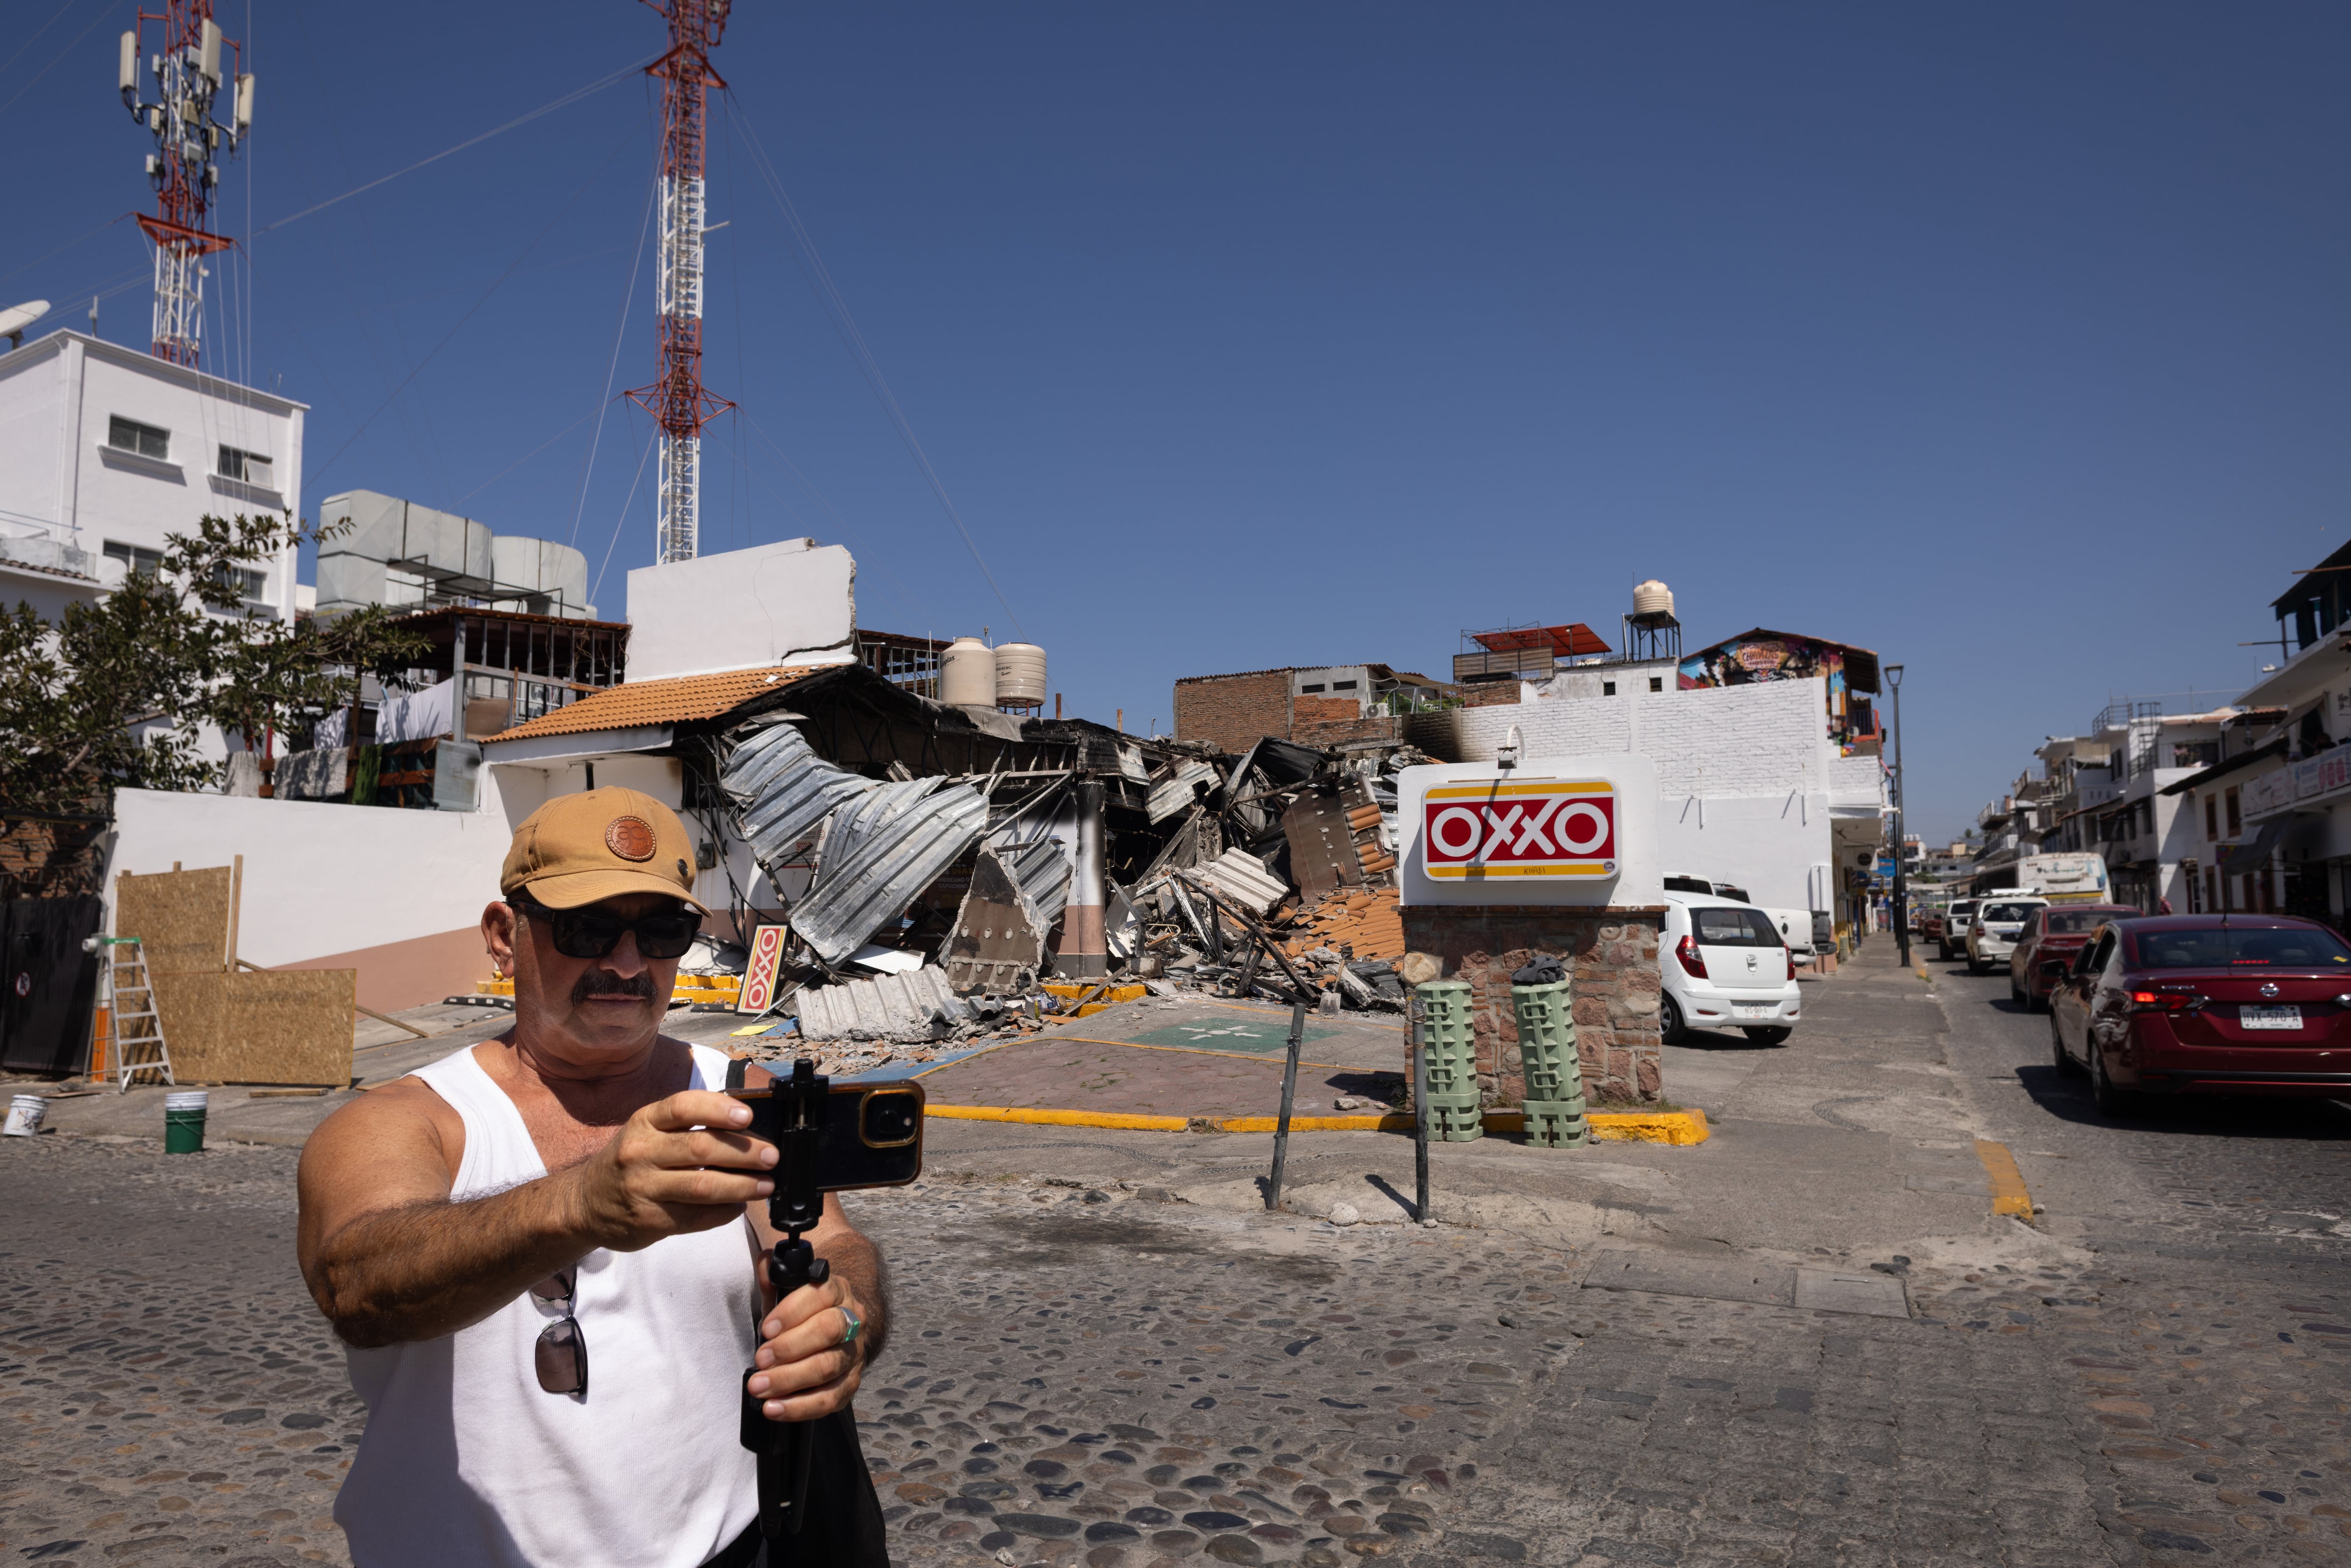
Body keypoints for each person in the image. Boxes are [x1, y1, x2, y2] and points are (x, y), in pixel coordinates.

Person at [297, 787, 889, 1568]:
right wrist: (579, 1203)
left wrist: (844, 1323)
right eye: (588, 929)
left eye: (662, 930)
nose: (626, 963)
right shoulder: (407, 1120)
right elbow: (359, 1285)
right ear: (503, 937)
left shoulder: (742, 1096)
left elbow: (835, 1244)